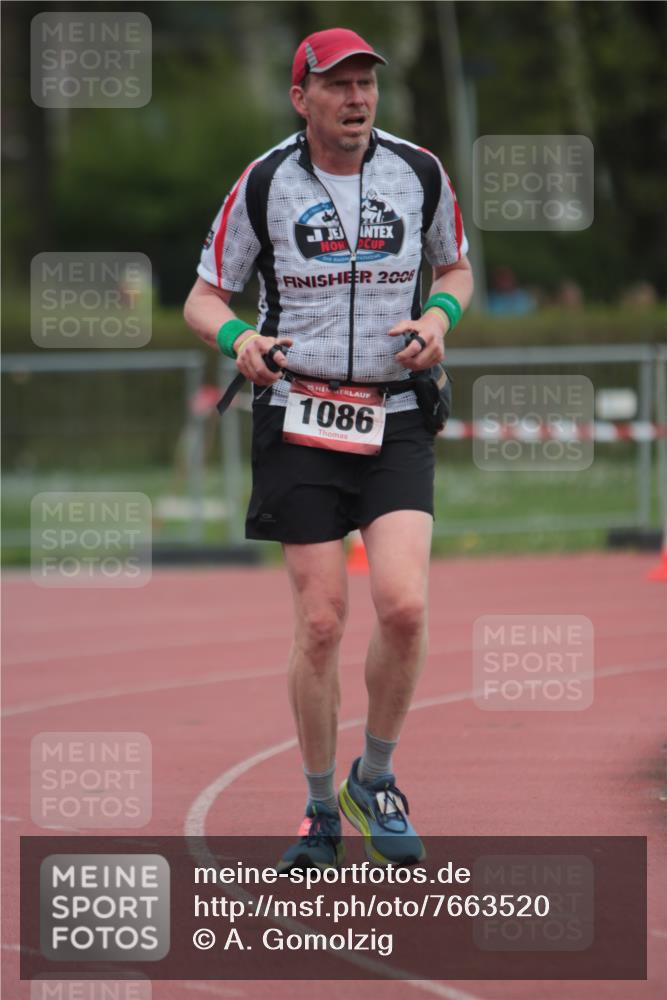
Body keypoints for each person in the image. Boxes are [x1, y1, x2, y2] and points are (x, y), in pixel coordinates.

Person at [184, 27, 473, 869]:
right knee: (319, 621)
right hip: (299, 414)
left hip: (394, 414)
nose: (355, 99)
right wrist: (239, 337)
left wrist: (437, 319)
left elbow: (454, 268)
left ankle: (373, 779)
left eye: (365, 85)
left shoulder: (416, 172)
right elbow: (204, 296)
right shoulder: (266, 181)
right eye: (337, 85)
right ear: (299, 96)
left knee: (405, 606)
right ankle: (318, 807)